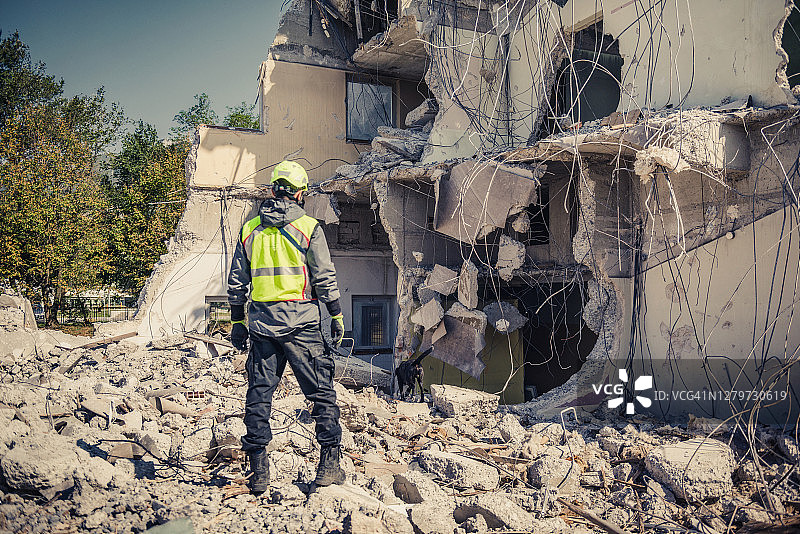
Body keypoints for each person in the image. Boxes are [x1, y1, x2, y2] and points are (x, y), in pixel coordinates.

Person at [227, 160, 346, 494]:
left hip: (262, 327)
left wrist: (237, 321)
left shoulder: (250, 229)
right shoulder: (309, 227)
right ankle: (328, 465)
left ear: (272, 190)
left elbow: (237, 281)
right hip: (302, 326)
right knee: (321, 394)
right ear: (300, 193)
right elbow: (323, 277)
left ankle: (259, 472)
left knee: (259, 396)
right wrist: (335, 315)